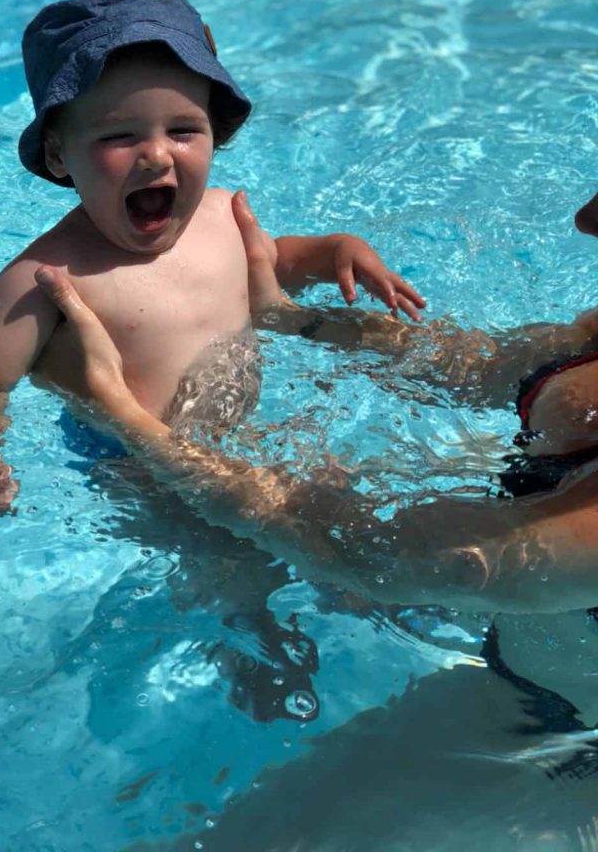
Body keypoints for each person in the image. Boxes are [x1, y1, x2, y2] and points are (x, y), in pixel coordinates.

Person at [35, 191, 598, 849]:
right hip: (544, 607)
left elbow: (400, 560)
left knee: (264, 839)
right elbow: (482, 364)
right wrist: (292, 319)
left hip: (558, 732)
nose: (584, 219)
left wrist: (124, 416)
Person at [0, 0, 425, 520]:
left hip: (242, 435)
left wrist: (337, 249)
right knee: (235, 572)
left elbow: (277, 262)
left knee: (347, 507)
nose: (155, 155)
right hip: (136, 465)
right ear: (58, 154)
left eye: (183, 130)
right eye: (119, 137)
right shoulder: (43, 277)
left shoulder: (221, 217)